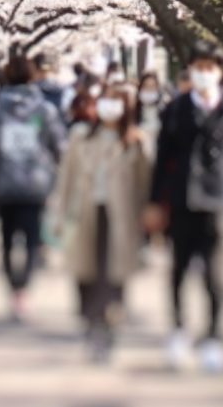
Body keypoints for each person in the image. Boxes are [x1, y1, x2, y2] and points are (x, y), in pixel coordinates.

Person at [146, 49, 223, 373]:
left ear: (220, 71)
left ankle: (213, 338)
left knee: (215, 274)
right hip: (182, 200)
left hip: (221, 201)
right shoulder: (176, 110)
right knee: (178, 269)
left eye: (209, 67)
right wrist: (154, 202)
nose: (203, 73)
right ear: (190, 71)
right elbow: (161, 160)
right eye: (198, 67)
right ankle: (179, 331)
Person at [54, 84, 150, 363]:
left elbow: (144, 184)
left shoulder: (135, 141)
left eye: (116, 101)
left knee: (114, 272)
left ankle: (107, 323)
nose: (110, 107)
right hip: (85, 212)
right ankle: (90, 318)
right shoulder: (80, 136)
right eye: (106, 101)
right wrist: (59, 214)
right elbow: (66, 178)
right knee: (85, 270)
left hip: (120, 216)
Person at [0, 53, 66, 321]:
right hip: (36, 183)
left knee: (7, 239)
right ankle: (24, 291)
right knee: (31, 241)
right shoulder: (44, 109)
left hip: (5, 183)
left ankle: (13, 288)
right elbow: (59, 146)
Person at [136, 73, 166, 142]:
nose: (149, 89)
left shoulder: (164, 110)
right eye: (146, 86)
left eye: (153, 86)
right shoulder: (134, 111)